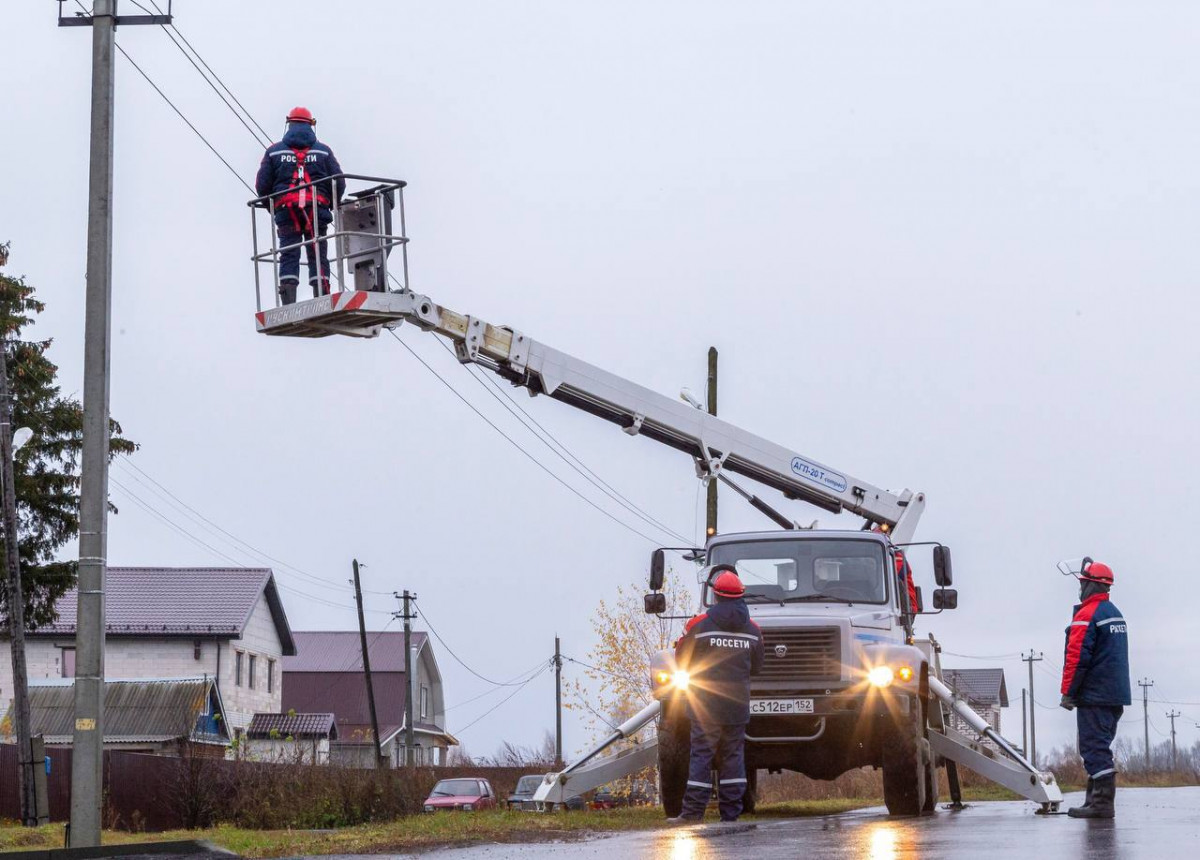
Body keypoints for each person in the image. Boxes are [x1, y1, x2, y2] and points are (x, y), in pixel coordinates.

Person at [671, 566, 764, 823]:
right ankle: (731, 813)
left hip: (706, 705)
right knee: (733, 756)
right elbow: (757, 667)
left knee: (702, 754)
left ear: (716, 594)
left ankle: (692, 814)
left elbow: (682, 659)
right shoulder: (753, 630)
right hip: (737, 705)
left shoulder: (699, 626)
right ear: (741, 595)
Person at [1059, 558, 1130, 819]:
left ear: (1090, 585)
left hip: (1095, 696)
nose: (1080, 588)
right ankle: (1093, 801)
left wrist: (1068, 692)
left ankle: (1101, 804)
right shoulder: (1114, 613)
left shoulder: (1088, 615)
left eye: (1083, 583)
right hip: (1114, 696)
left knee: (1093, 747)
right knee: (1100, 745)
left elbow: (1076, 658)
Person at [255, 107, 345, 305]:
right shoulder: (323, 151)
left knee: (289, 251)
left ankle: (288, 299)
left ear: (289, 124)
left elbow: (262, 186)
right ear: (311, 125)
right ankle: (321, 297)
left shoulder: (273, 152)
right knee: (318, 252)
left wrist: (273, 206)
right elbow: (339, 182)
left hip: (287, 212)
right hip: (318, 211)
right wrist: (332, 204)